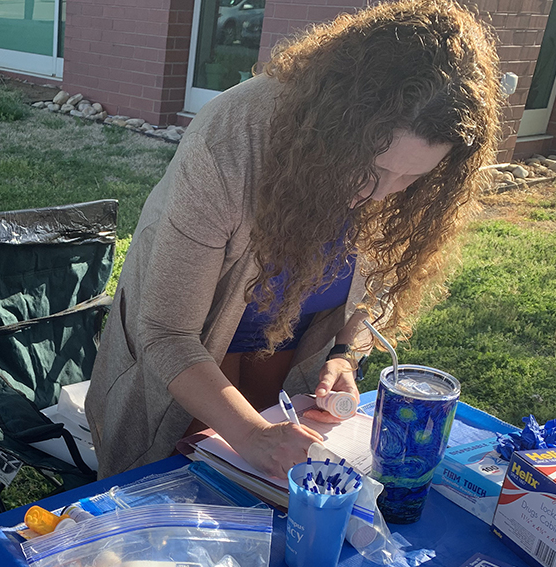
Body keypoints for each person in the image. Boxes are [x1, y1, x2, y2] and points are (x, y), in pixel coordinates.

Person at [85, 0, 503, 479]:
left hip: (285, 361)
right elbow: (166, 333)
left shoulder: (413, 180)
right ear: (337, 124)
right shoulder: (228, 144)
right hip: (193, 361)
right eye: (375, 169)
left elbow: (373, 286)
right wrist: (253, 435)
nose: (380, 194)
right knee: (183, 492)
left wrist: (345, 351)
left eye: (409, 179)